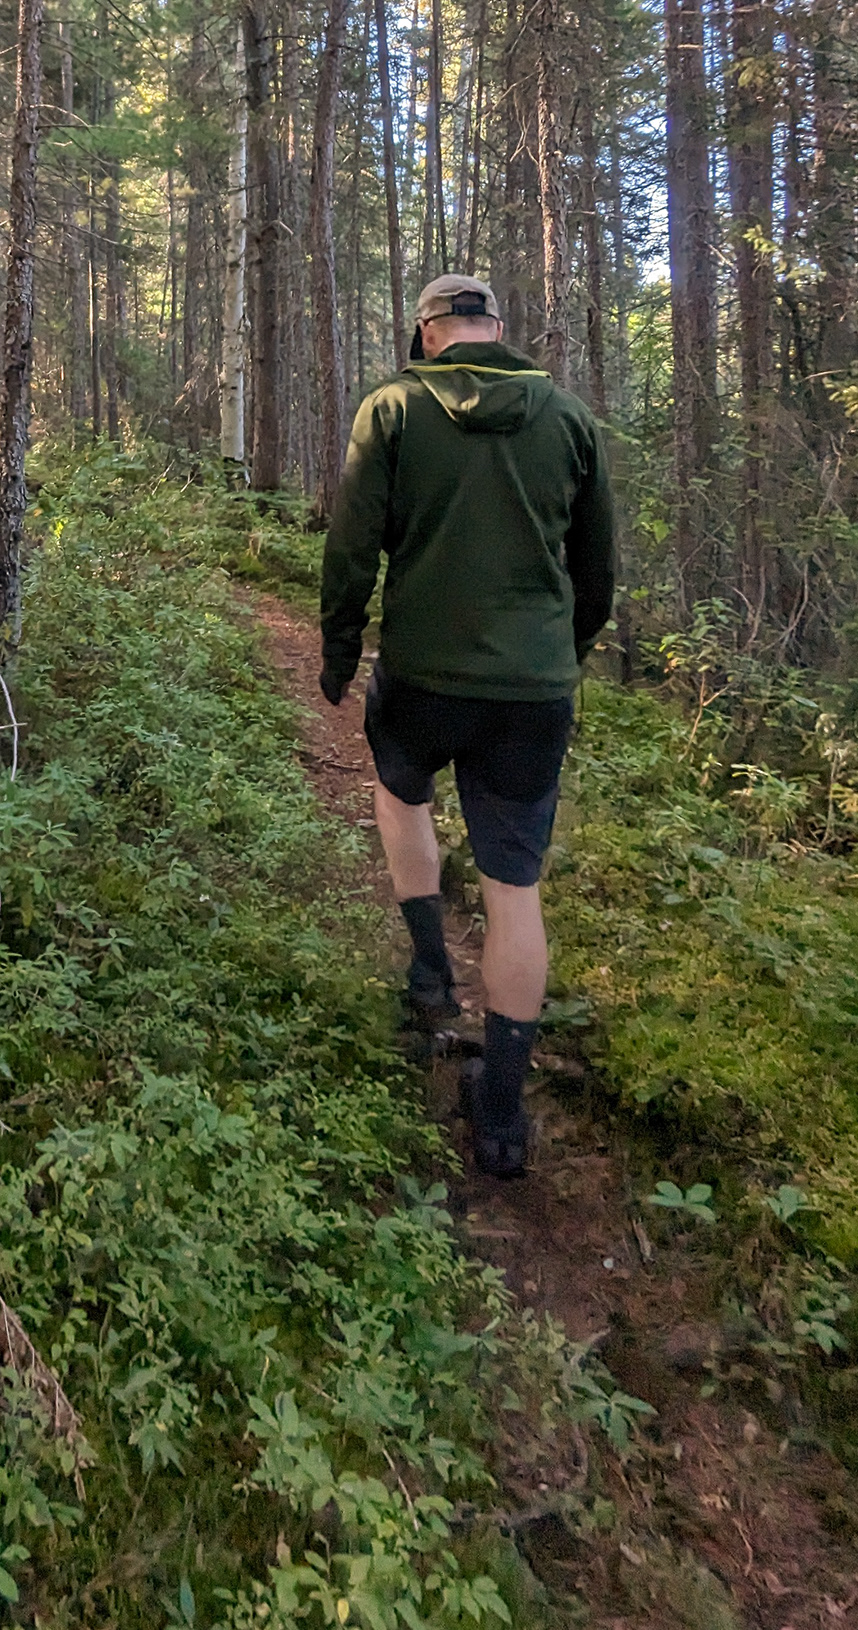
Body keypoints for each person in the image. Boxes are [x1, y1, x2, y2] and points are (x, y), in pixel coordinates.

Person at [317, 274, 616, 1178]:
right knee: (514, 886)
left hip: (422, 676)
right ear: (496, 327)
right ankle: (502, 1113)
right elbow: (596, 569)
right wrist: (560, 654)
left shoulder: (394, 410)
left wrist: (340, 648)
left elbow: (352, 544)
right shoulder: (568, 419)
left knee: (400, 794)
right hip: (534, 691)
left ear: (426, 332)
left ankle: (428, 977)